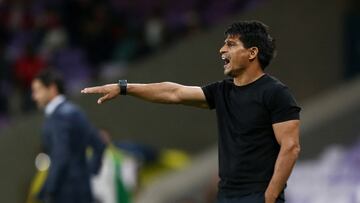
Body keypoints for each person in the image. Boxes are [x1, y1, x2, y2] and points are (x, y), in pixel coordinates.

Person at [81, 20, 301, 203]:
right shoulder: (222, 91)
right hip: (226, 195)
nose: (222, 49)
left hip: (258, 197)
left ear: (252, 52)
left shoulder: (276, 93)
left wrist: (270, 197)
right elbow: (173, 92)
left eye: (231, 44)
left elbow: (290, 147)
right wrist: (123, 88)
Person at [31, 70, 106, 203]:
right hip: (83, 190)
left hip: (66, 194)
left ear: (52, 88)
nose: (34, 97)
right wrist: (85, 173)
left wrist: (49, 190)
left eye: (37, 90)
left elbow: (61, 156)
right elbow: (99, 144)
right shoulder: (74, 111)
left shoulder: (59, 117)